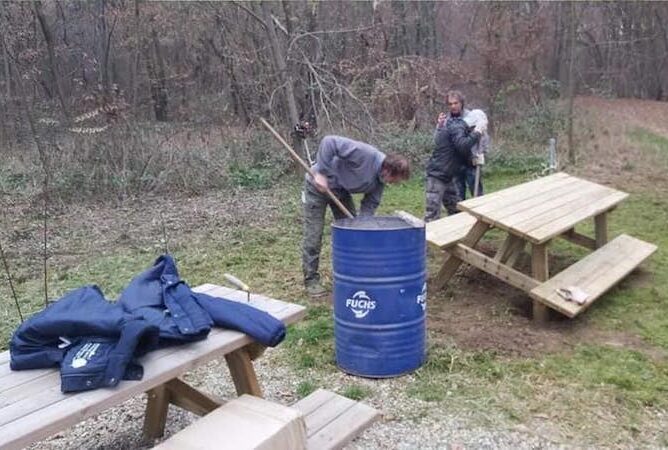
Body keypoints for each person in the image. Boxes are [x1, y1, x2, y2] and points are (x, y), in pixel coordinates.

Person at [302, 135, 410, 297]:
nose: (394, 184)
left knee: (352, 234)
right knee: (314, 234)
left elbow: (370, 205)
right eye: (395, 179)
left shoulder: (380, 181)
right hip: (316, 187)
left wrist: (362, 226)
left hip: (341, 192)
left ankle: (352, 274)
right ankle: (311, 280)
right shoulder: (365, 154)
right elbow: (329, 142)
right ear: (388, 170)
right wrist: (322, 173)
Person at [425, 90, 482, 222]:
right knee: (434, 211)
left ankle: (476, 223)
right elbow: (441, 142)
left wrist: (480, 153)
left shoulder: (471, 116)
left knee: (467, 200)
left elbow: (482, 138)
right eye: (450, 104)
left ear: (461, 103)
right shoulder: (447, 121)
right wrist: (439, 126)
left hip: (468, 162)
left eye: (456, 103)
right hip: (442, 171)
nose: (453, 106)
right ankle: (429, 240)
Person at [457, 109, 490, 198]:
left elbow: (484, 145)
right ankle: (458, 210)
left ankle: (479, 207)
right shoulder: (462, 129)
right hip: (458, 163)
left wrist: (480, 154)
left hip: (473, 164)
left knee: (476, 190)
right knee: (458, 192)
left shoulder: (483, 133)